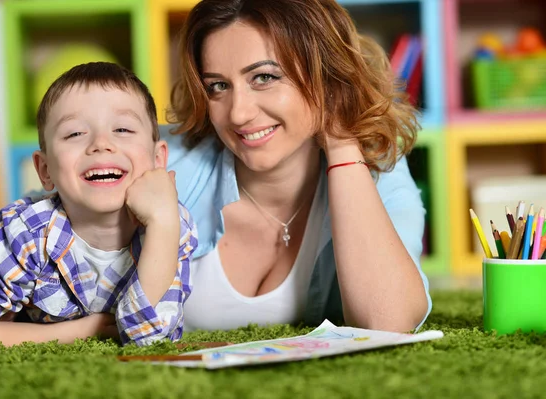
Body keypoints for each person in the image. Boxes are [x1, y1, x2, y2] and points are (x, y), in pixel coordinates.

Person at [163, 0, 431, 333]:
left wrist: (341, 141)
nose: (238, 114)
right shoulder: (165, 165)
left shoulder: (376, 171)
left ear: (327, 79)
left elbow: (388, 321)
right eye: (218, 86)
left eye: (264, 77)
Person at [0, 62, 198, 348]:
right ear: (45, 170)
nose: (101, 144)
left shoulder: (171, 223)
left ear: (158, 160)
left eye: (123, 129)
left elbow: (149, 337)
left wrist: (163, 224)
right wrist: (84, 330)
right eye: (75, 133)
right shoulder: (26, 233)